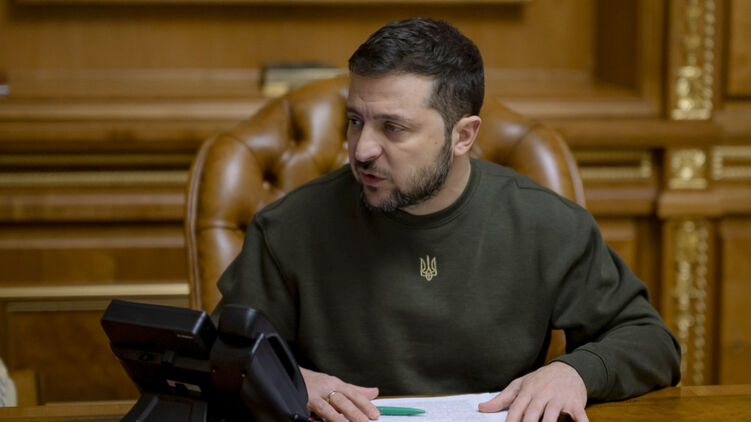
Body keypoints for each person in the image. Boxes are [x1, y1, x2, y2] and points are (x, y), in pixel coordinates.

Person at [214, 17, 681, 422]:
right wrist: (288, 378)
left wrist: (574, 372)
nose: (362, 149)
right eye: (355, 121)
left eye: (392, 128)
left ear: (463, 136)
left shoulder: (546, 223)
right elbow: (217, 355)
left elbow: (651, 341)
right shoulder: (289, 227)